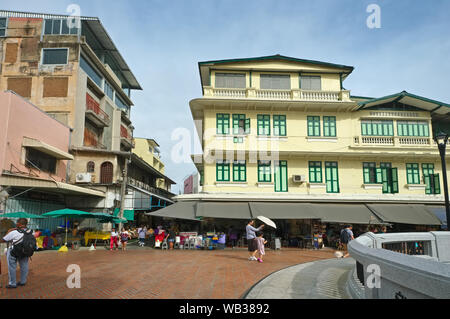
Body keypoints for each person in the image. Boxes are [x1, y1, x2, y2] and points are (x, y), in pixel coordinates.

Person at [0, 218, 34, 288]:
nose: (16, 224)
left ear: (19, 224)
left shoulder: (13, 232)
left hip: (14, 252)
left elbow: (3, 240)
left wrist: (8, 232)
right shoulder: (30, 231)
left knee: (12, 267)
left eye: (17, 223)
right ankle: (23, 281)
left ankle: (12, 283)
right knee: (24, 266)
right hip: (26, 252)